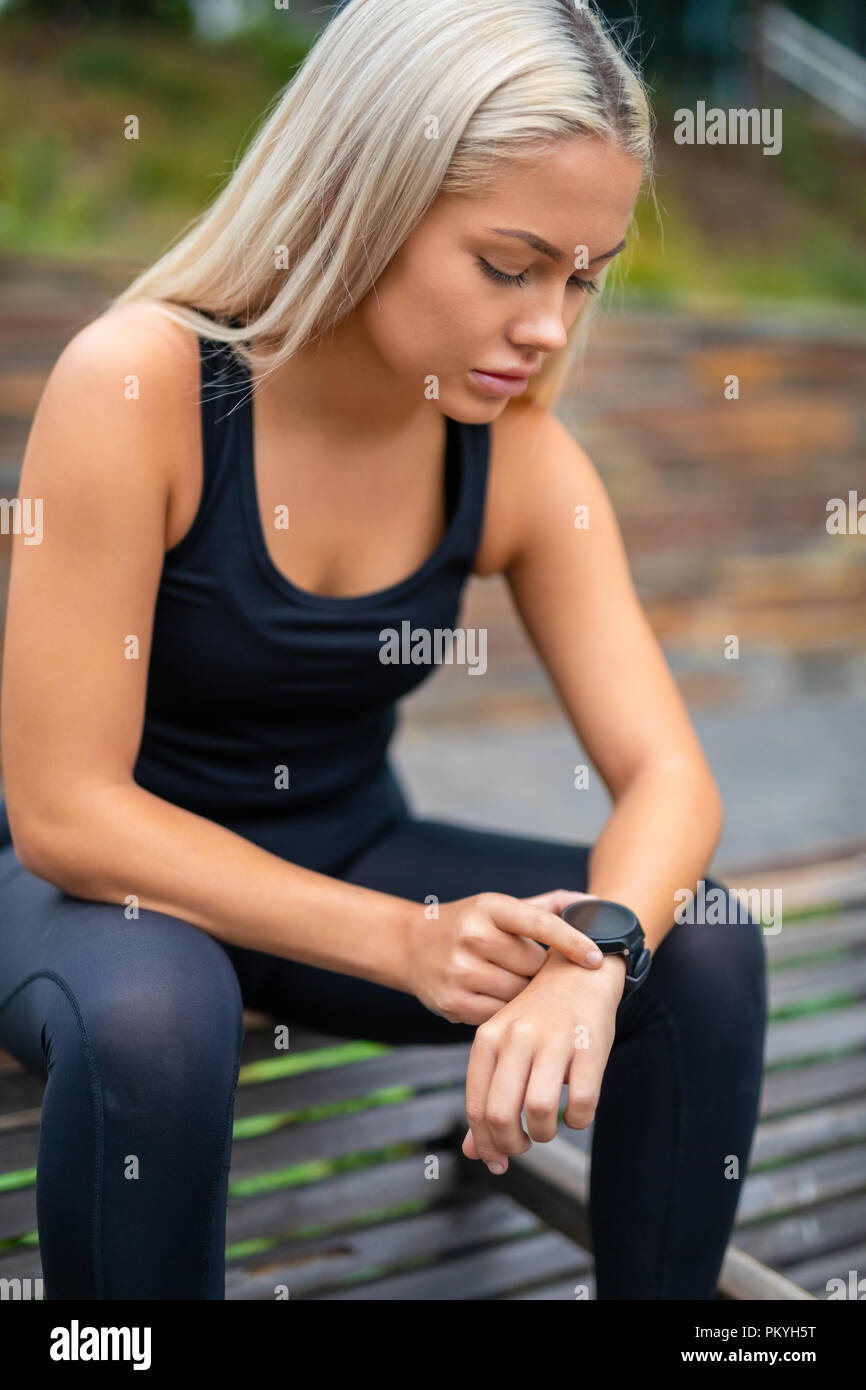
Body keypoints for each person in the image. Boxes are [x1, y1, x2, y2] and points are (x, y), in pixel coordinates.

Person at [0, 0, 766, 1301]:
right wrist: (400, 941)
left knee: (700, 937)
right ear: (366, 194)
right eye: (510, 263)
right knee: (157, 1013)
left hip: (341, 855)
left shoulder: (517, 457)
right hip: (86, 892)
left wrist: (599, 954)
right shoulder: (140, 387)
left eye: (582, 275)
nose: (551, 327)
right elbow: (65, 811)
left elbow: (669, 778)